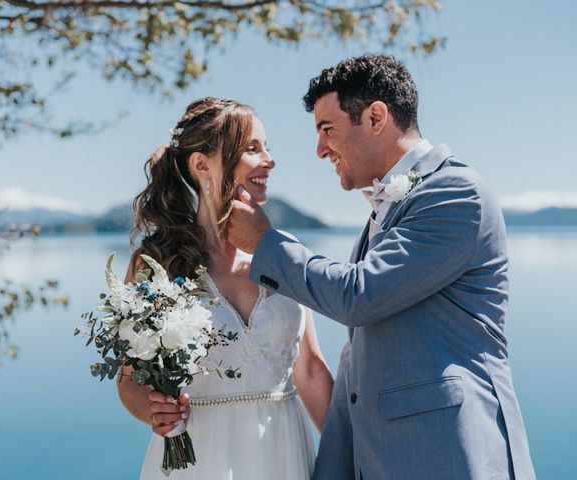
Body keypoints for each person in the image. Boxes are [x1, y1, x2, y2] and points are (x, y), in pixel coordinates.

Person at [227, 54, 536, 479]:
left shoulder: (456, 193)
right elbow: (360, 355)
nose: (319, 150)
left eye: (327, 129)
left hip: (448, 455)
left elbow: (359, 296)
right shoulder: (387, 210)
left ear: (375, 117)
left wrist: (265, 243)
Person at [116, 98, 334, 479]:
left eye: (267, 147)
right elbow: (130, 379)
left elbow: (312, 370)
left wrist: (348, 455)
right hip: (199, 458)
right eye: (252, 148)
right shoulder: (156, 263)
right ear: (202, 165)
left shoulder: (286, 252)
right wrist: (153, 411)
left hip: (284, 453)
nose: (269, 160)